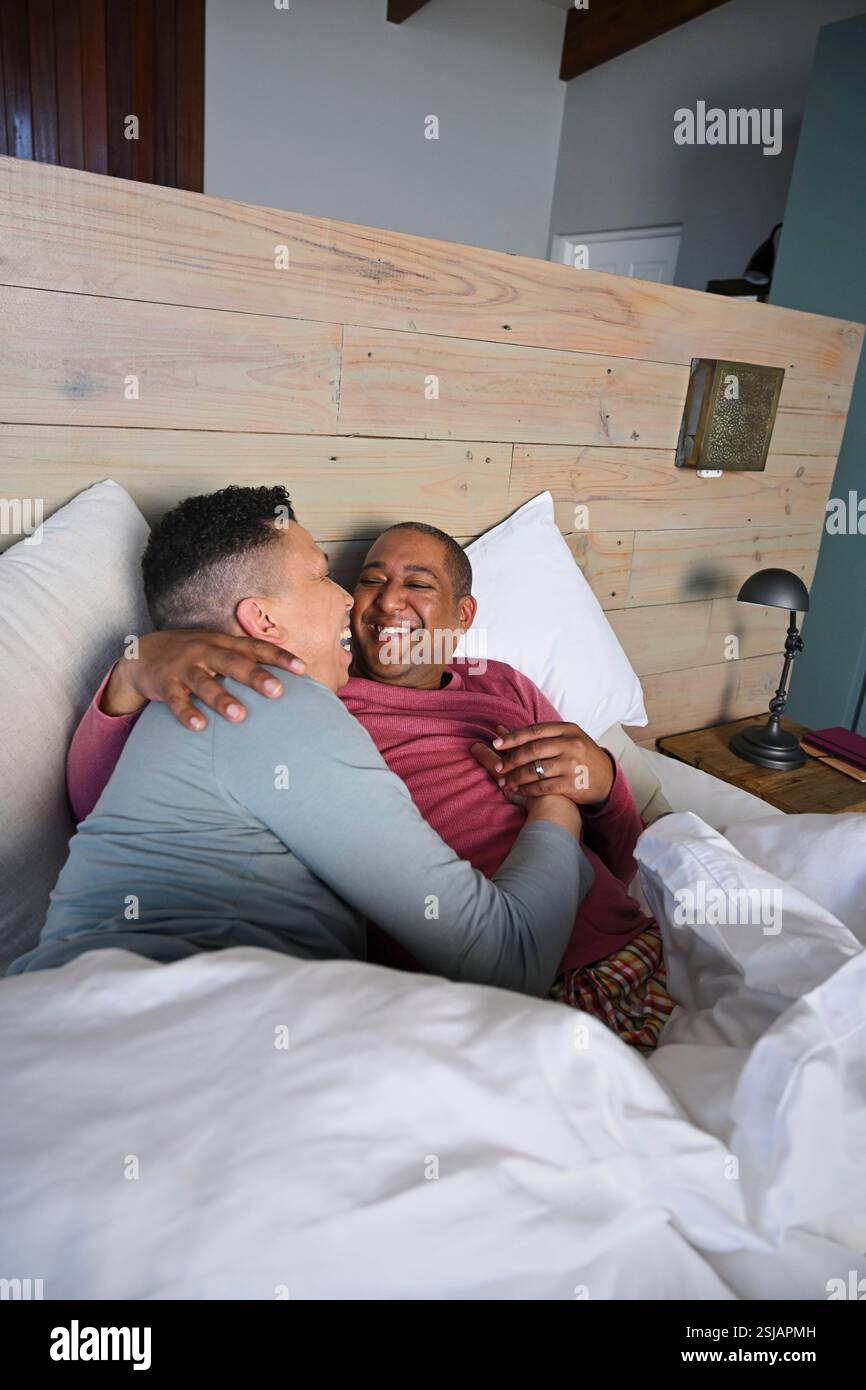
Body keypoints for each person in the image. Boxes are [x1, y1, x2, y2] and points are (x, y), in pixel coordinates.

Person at [60, 501, 675, 1051]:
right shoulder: (304, 699)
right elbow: (107, 803)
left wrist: (600, 781)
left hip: (630, 937)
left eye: (418, 584)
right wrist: (132, 672)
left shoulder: (503, 683)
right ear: (264, 618)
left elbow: (625, 860)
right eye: (368, 579)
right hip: (523, 974)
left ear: (463, 614)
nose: (374, 601)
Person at [7, 488, 591, 990]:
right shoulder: (277, 701)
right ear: (262, 621)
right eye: (321, 575)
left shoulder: (202, 706)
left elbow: (105, 810)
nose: (348, 599)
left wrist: (132, 671)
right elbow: (505, 960)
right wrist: (556, 807)